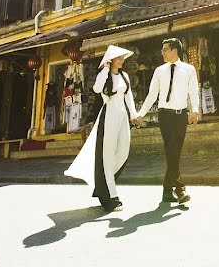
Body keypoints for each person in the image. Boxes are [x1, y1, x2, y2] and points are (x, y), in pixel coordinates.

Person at [64, 45, 139, 213]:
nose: (122, 61)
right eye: (119, 58)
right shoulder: (104, 76)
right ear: (110, 60)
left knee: (123, 152)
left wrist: (133, 114)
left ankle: (103, 184)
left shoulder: (125, 76)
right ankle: (111, 196)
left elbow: (129, 97)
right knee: (106, 155)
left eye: (122, 58)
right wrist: (105, 69)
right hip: (109, 115)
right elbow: (97, 89)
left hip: (122, 116)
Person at [136, 37, 201, 204]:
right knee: (170, 149)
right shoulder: (159, 71)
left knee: (175, 152)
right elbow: (152, 95)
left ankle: (166, 190)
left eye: (165, 49)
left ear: (174, 50)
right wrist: (141, 114)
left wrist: (194, 111)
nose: (162, 52)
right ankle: (180, 189)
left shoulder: (189, 69)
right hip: (165, 115)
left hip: (181, 115)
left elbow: (193, 91)